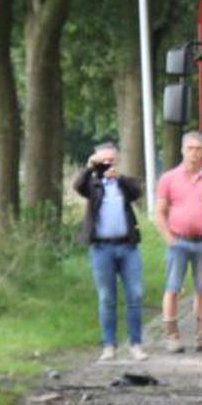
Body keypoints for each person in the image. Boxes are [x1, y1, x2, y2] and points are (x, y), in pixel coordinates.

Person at [73, 143, 148, 363]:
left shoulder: (123, 184)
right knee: (107, 298)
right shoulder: (92, 184)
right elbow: (78, 186)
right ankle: (109, 346)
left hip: (127, 247)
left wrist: (120, 178)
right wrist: (89, 168)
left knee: (135, 295)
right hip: (101, 248)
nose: (107, 165)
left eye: (111, 161)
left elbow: (138, 190)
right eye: (102, 161)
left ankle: (136, 344)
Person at [153, 131, 202, 353]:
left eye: (198, 148)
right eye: (190, 148)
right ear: (182, 150)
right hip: (178, 242)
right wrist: (169, 239)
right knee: (173, 288)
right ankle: (172, 337)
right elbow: (159, 213)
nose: (194, 153)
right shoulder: (168, 179)